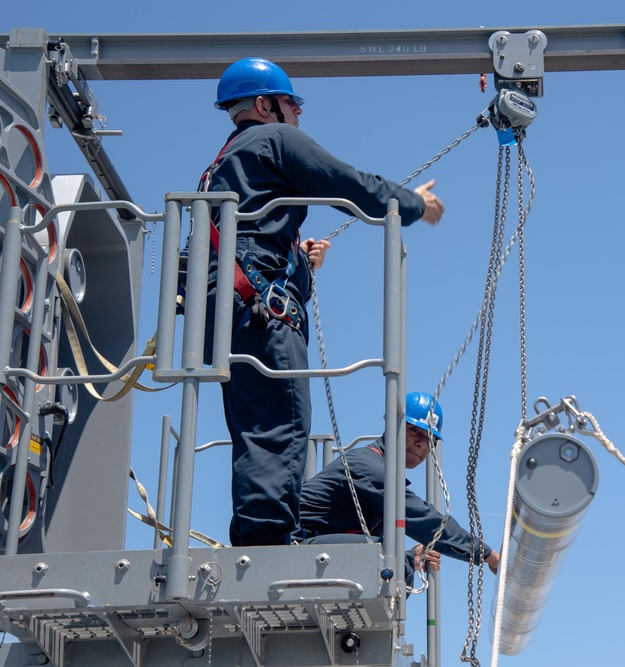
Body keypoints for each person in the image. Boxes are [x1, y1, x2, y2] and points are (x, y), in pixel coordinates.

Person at [202, 58, 445, 547]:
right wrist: (414, 205)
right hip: (262, 314)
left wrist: (300, 267)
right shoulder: (276, 140)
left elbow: (245, 241)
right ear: (266, 105)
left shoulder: (223, 163)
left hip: (228, 310)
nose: (298, 114)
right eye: (292, 103)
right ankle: (269, 545)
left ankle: (259, 535)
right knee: (283, 425)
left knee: (254, 429)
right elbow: (349, 182)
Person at [298, 392, 501, 584]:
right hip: (295, 547)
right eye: (415, 431)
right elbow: (423, 520)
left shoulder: (380, 470)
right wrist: (488, 555)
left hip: (316, 549)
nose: (422, 444)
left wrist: (412, 557)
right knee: (390, 561)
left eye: (430, 439)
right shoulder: (367, 467)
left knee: (398, 564)